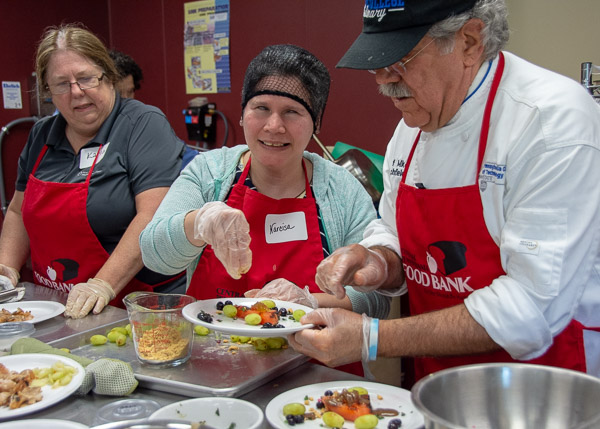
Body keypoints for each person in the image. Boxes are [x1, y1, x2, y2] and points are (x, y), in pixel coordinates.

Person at [289, 0, 600, 383]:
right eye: (375, 63)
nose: (382, 80)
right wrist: (378, 261)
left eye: (399, 59)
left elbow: (531, 311)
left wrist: (372, 338)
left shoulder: (550, 122)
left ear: (469, 41)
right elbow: (396, 234)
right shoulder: (412, 128)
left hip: (543, 387)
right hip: (440, 382)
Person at [140, 44, 389, 319]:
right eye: (261, 107)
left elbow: (376, 299)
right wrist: (198, 224)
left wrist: (309, 301)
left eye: (292, 112)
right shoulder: (209, 173)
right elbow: (154, 255)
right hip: (212, 352)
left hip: (316, 357)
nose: (274, 126)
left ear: (316, 122)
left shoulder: (343, 191)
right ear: (242, 113)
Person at [0, 24, 186, 319]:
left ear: (108, 77)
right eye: (61, 84)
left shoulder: (142, 124)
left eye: (86, 78)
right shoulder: (41, 135)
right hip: (56, 305)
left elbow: (152, 216)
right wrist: (6, 269)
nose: (77, 92)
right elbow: (16, 212)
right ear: (48, 90)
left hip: (133, 307)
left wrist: (101, 285)